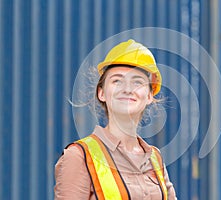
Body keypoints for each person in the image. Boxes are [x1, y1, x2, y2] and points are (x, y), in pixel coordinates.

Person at [54, 39, 177, 200]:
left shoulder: (155, 158)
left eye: (137, 82)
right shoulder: (79, 156)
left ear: (149, 96)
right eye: (117, 81)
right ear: (102, 93)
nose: (127, 89)